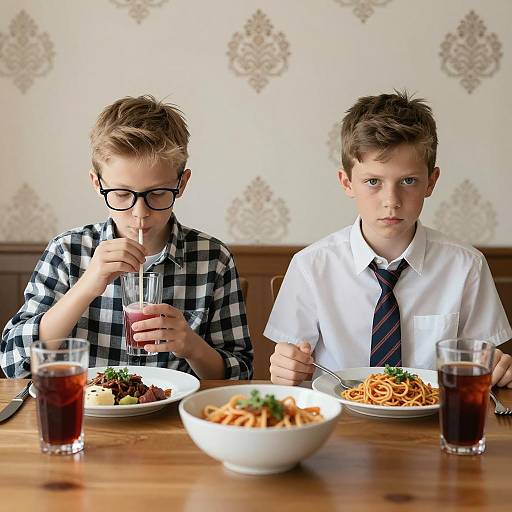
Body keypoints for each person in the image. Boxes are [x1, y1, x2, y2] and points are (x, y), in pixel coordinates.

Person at [264, 91, 512, 387]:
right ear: (347, 183)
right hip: (339, 423)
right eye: (373, 182)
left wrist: (499, 370)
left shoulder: (466, 267)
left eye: (408, 181)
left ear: (431, 182)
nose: (391, 201)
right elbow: (288, 369)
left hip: (431, 426)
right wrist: (286, 369)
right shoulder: (311, 266)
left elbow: (485, 368)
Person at [1, 95, 252, 379]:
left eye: (157, 193)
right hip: (86, 416)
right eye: (121, 194)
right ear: (97, 184)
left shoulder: (212, 258)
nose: (139, 213)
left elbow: (241, 373)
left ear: (181, 184)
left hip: (173, 420)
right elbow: (12, 361)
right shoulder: (67, 251)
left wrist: (192, 346)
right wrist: (85, 287)